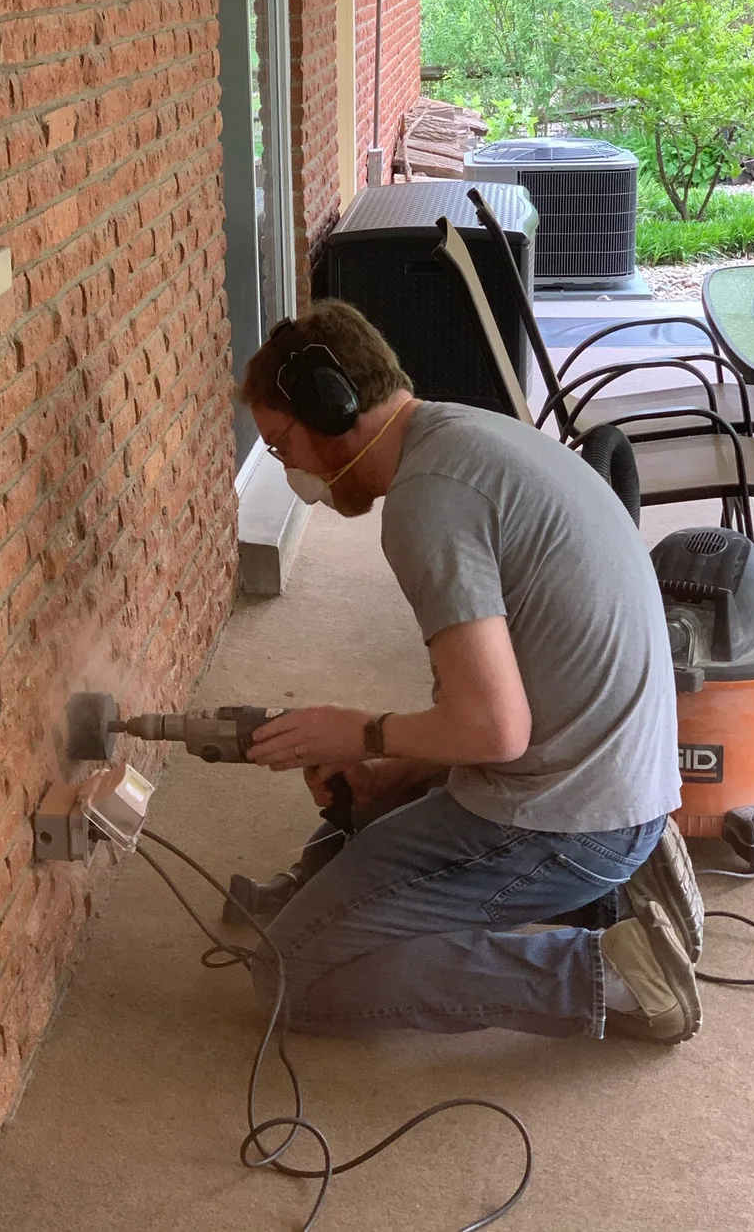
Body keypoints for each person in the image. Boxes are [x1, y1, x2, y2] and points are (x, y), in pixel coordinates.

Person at [239, 300, 704, 1045]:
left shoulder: (427, 502)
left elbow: (495, 727)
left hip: (573, 816)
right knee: (354, 839)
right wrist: (394, 769)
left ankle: (614, 975)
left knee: (288, 972)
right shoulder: (465, 435)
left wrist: (356, 728)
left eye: (282, 442)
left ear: (332, 409)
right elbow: (493, 704)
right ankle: (610, 894)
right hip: (610, 776)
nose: (286, 465)